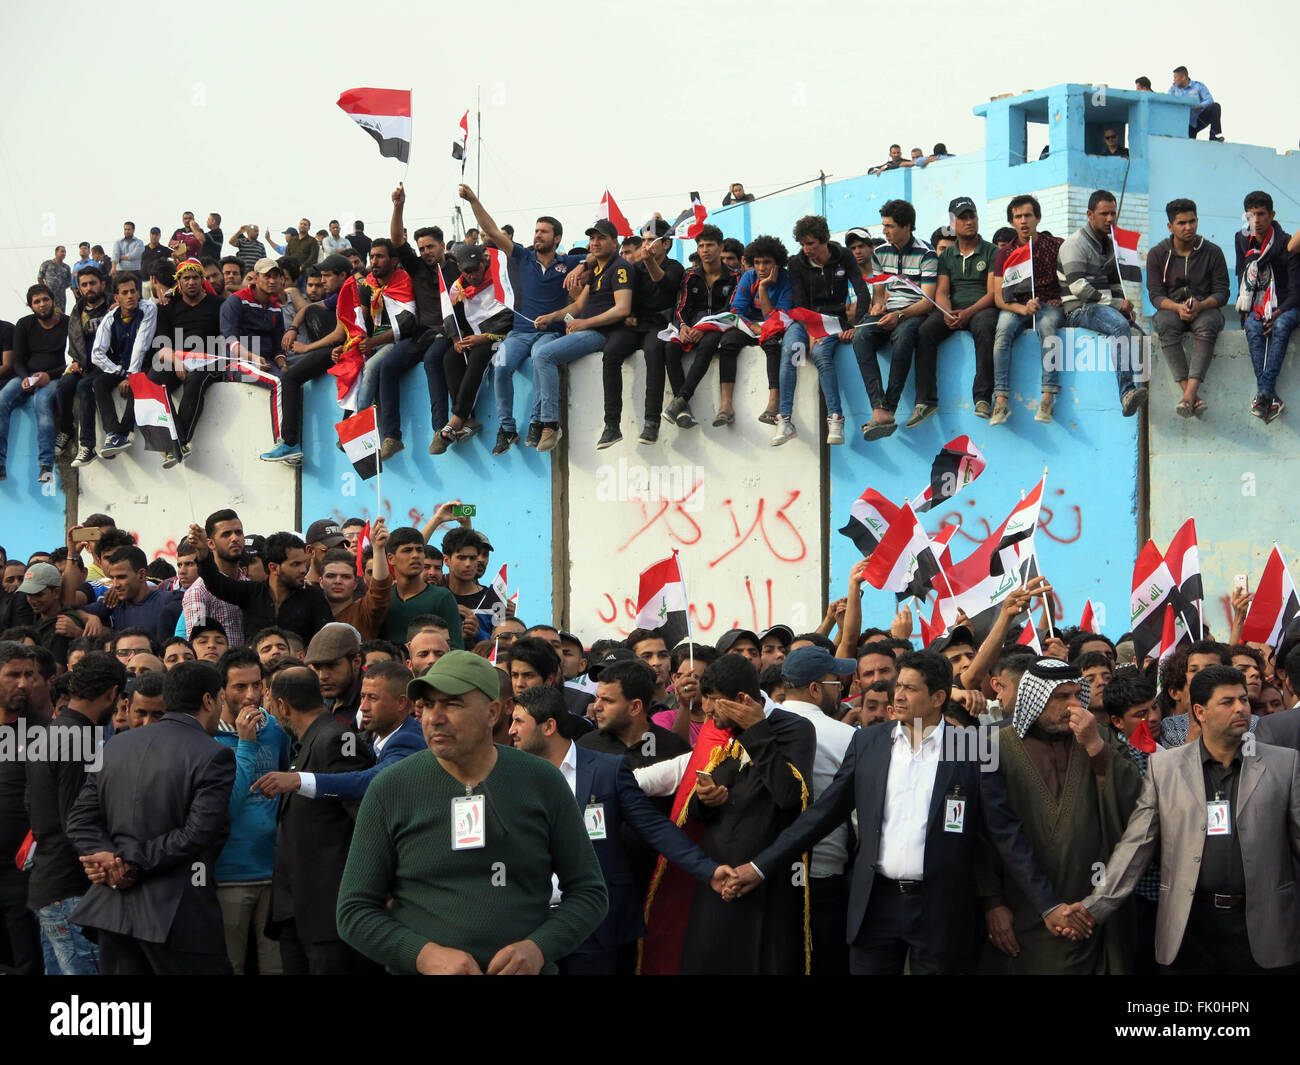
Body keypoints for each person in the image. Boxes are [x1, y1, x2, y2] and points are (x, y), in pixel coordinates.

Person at [726, 650, 1087, 973]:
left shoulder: (970, 747)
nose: (897, 696)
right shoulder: (869, 743)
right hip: (875, 906)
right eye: (899, 686)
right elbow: (822, 815)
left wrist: (1048, 904)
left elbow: (1005, 834)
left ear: (938, 697)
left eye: (911, 689)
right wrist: (760, 867)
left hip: (941, 910)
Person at [336, 651, 608, 974]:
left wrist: (538, 948)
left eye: (452, 704)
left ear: (493, 713)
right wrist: (423, 956)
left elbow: (589, 892)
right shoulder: (390, 789)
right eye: (427, 705)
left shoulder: (542, 781)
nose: (434, 717)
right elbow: (354, 911)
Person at [1074, 666, 1300, 973]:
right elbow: (1136, 846)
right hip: (1189, 928)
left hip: (1263, 927)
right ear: (1200, 712)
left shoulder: (1284, 764)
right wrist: (1093, 908)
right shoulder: (1165, 768)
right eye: (1227, 702)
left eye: (1244, 700)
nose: (1241, 708)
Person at [509, 684, 725, 974]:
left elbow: (655, 828)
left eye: (519, 721)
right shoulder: (510, 776)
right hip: (529, 928)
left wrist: (709, 871)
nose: (510, 730)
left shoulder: (607, 770)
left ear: (548, 726)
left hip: (593, 925)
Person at [65, 661, 235, 974]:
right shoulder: (214, 754)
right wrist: (125, 862)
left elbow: (80, 819)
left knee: (128, 1022)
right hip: (178, 915)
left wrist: (111, 860)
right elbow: (198, 834)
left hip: (114, 913)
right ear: (210, 700)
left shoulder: (117, 744)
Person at [991, 657, 1142, 973]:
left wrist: (1097, 747)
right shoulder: (995, 746)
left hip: (1095, 905)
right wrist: (992, 902)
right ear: (1035, 697)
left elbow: (1135, 805)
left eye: (1078, 694)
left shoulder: (1100, 736)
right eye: (1062, 696)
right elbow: (987, 833)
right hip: (1026, 907)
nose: (1075, 705)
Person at [257, 666, 376, 975]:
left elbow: (366, 817)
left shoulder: (335, 739)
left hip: (330, 918)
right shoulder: (307, 742)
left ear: (282, 706)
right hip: (297, 914)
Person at [458, 185, 588, 455]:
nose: (538, 235)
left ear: (557, 238)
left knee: (542, 357)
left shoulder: (568, 262)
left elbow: (603, 255)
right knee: (501, 365)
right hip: (518, 334)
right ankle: (506, 429)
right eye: (536, 231)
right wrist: (473, 201)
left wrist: (582, 264)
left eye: (544, 232)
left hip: (550, 334)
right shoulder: (522, 256)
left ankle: (539, 422)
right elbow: (492, 231)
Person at [211, 647, 292, 975]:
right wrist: (245, 743)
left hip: (273, 872)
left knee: (277, 966)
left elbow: (286, 783)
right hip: (229, 875)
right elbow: (223, 807)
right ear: (221, 692)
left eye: (257, 685)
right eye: (239, 687)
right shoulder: (209, 739)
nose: (251, 695)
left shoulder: (275, 729)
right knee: (231, 964)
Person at [527, 219, 633, 452]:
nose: (595, 242)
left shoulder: (620, 267)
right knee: (539, 354)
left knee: (544, 355)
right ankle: (538, 421)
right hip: (589, 330)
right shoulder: (597, 269)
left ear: (615, 243)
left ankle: (550, 424)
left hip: (603, 333)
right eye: (592, 238)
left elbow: (622, 308)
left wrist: (586, 322)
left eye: (601, 238)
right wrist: (552, 316)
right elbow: (577, 306)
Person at [776, 215, 868, 445]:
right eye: (803, 244)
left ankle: (835, 417)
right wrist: (809, 332)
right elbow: (798, 303)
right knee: (792, 351)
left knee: (820, 354)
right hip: (805, 320)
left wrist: (857, 324)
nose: (807, 249)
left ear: (825, 239)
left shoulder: (843, 256)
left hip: (834, 320)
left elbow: (862, 291)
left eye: (811, 244)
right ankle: (785, 419)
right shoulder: (796, 263)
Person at [383, 185, 459, 459]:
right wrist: (398, 206)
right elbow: (395, 240)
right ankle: (391, 436)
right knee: (387, 367)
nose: (426, 251)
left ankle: (440, 429)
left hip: (449, 334)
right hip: (419, 335)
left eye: (430, 246)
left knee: (432, 361)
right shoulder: (415, 267)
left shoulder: (457, 267)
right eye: (422, 248)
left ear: (442, 245)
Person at [1058, 189, 1148, 416]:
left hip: (1102, 308)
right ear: (1090, 214)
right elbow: (1078, 287)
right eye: (1104, 214)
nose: (1110, 219)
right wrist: (1117, 307)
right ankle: (1127, 392)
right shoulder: (1074, 244)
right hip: (1078, 309)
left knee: (1140, 335)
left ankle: (1144, 394)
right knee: (1119, 326)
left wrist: (1123, 307)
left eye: (1113, 214)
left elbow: (1115, 284)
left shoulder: (1111, 245)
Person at [911, 197, 1000, 426]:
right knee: (925, 332)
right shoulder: (947, 256)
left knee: (985, 328)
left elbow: (992, 294)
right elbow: (941, 291)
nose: (969, 221)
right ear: (952, 223)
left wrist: (968, 312)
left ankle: (982, 398)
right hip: (954, 309)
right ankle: (926, 401)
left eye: (972, 216)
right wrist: (947, 312)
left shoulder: (991, 251)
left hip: (981, 308)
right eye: (963, 217)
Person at [854, 200, 938, 440]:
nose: (884, 231)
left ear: (907, 226)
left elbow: (928, 301)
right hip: (890, 312)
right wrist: (879, 306)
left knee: (902, 338)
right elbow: (879, 293)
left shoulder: (927, 254)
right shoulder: (880, 253)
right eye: (884, 226)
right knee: (861, 337)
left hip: (914, 313)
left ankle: (889, 408)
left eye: (889, 226)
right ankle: (878, 408)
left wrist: (900, 315)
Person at [597, 219, 684, 446]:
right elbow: (624, 295)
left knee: (654, 354)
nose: (647, 245)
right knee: (611, 352)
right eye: (644, 240)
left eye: (651, 241)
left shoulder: (675, 267)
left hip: (660, 326)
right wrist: (628, 313)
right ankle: (612, 425)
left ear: (666, 243)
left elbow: (665, 285)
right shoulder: (633, 269)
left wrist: (649, 263)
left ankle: (651, 423)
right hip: (635, 326)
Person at [1146, 198, 1230, 417]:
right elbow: (1155, 295)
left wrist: (1201, 305)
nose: (1188, 227)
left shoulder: (1213, 252)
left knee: (1208, 324)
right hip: (1172, 311)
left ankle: (1188, 394)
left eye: (1192, 221)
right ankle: (1192, 395)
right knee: (1163, 323)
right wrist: (1176, 308)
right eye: (1182, 223)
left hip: (1205, 310)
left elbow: (1222, 293)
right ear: (1170, 226)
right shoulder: (1157, 254)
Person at [990, 195, 1067, 426]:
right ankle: (1001, 400)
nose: (1023, 221)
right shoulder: (1005, 253)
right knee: (1002, 331)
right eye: (1018, 217)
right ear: (1012, 222)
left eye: (1027, 215)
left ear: (1038, 218)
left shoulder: (1056, 245)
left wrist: (1060, 300)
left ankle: (1047, 396)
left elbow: (1070, 280)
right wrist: (1022, 309)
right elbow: (999, 297)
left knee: (1048, 329)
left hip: (1049, 304)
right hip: (1016, 306)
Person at [190, 526, 334, 645]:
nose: (304, 569)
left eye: (304, 563)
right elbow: (217, 584)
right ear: (273, 568)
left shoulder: (314, 597)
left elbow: (327, 640)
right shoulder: (251, 593)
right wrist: (203, 554)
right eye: (295, 564)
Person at [658, 224, 739, 432]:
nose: (705, 250)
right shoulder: (690, 275)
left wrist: (706, 327)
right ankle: (684, 411)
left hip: (719, 327)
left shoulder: (735, 277)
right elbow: (682, 306)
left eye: (710, 245)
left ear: (720, 247)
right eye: (701, 245)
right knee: (669, 348)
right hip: (691, 326)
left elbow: (730, 309)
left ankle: (681, 398)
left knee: (710, 343)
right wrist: (683, 326)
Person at [0, 642, 48, 974]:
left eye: (29, 675)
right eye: (13, 675)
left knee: (27, 960)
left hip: (24, 871)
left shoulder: (50, 735)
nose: (22, 683)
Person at [149, 258, 225, 458]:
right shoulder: (167, 307)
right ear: (179, 282)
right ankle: (176, 439)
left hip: (210, 360)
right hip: (178, 359)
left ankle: (180, 442)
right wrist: (177, 360)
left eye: (195, 278)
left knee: (195, 380)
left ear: (202, 280)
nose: (191, 282)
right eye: (186, 278)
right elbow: (162, 347)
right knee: (153, 381)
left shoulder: (218, 304)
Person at [1236, 190, 1295, 423]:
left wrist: (1277, 312)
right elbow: (1242, 275)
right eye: (1251, 215)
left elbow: (1296, 292)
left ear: (1272, 215)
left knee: (1280, 326)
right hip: (1258, 307)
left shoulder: (1286, 244)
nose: (1256, 221)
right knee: (1251, 327)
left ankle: (1263, 393)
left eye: (1261, 214)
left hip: (1286, 306)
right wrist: (1247, 314)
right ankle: (1269, 396)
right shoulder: (1241, 240)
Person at [85, 272, 157, 459]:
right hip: (122, 366)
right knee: (99, 383)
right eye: (124, 293)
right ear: (116, 297)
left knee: (139, 381)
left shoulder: (148, 309)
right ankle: (113, 432)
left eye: (133, 291)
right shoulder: (110, 318)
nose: (130, 296)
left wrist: (130, 376)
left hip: (145, 365)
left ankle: (124, 431)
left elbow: (142, 344)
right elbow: (96, 353)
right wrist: (117, 371)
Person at [723, 234, 791, 428]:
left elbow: (776, 318)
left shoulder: (786, 279)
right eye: (757, 263)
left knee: (772, 344)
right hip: (751, 326)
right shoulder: (747, 276)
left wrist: (763, 288)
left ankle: (773, 402)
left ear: (777, 263)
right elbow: (736, 311)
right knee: (728, 342)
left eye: (767, 262)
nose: (761, 268)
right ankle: (726, 404)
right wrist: (754, 327)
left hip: (775, 327)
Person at [1, 285, 68, 483]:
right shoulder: (23, 324)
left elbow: (72, 359)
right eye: (36, 302)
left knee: (42, 403)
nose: (41, 305)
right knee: (2, 399)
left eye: (45, 299)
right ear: (31, 306)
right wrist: (24, 378)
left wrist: (48, 376)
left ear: (53, 300)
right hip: (27, 377)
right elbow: (18, 360)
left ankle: (45, 465)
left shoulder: (67, 323)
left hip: (55, 378)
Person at [1169, 66, 1223, 140]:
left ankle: (1213, 136)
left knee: (1215, 106)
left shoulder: (1198, 86)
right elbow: (1168, 102)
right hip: (1184, 123)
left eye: (1175, 77)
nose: (1174, 80)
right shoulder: (1174, 88)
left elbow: (1209, 100)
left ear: (1183, 77)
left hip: (1198, 119)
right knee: (1188, 146)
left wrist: (1197, 107)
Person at [36, 246, 72, 311]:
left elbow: (69, 281)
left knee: (60, 315)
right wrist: (45, 290)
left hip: (61, 298)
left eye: (65, 252)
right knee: (48, 312)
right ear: (56, 252)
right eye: (62, 251)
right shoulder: (47, 264)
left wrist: (60, 287)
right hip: (48, 296)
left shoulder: (66, 267)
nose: (63, 254)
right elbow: (40, 278)